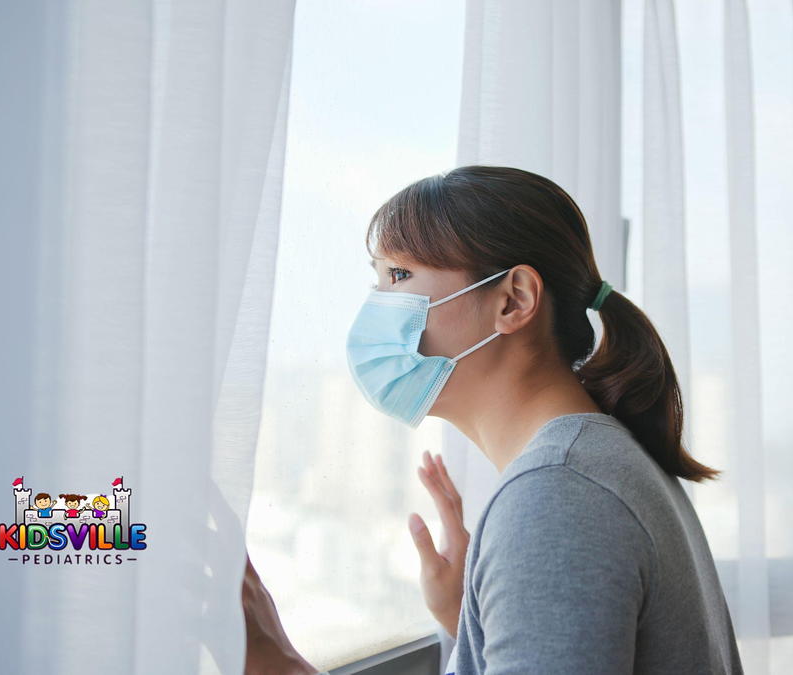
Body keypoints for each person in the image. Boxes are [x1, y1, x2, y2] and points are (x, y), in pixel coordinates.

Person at [240, 165, 745, 674]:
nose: (376, 307)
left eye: (399, 276)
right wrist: (473, 621)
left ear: (514, 300)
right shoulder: (595, 462)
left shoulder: (559, 497)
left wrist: (281, 668)